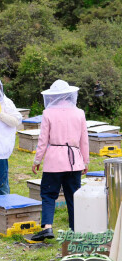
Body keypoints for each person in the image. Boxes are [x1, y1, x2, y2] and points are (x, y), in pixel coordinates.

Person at [31, 80, 89, 241]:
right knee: (73, 196)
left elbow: (43, 140)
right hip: (74, 161)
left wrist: (37, 161)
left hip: (54, 161)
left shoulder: (48, 113)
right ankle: (75, 230)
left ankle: (47, 227)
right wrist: (86, 161)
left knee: (49, 194)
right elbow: (84, 140)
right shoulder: (80, 113)